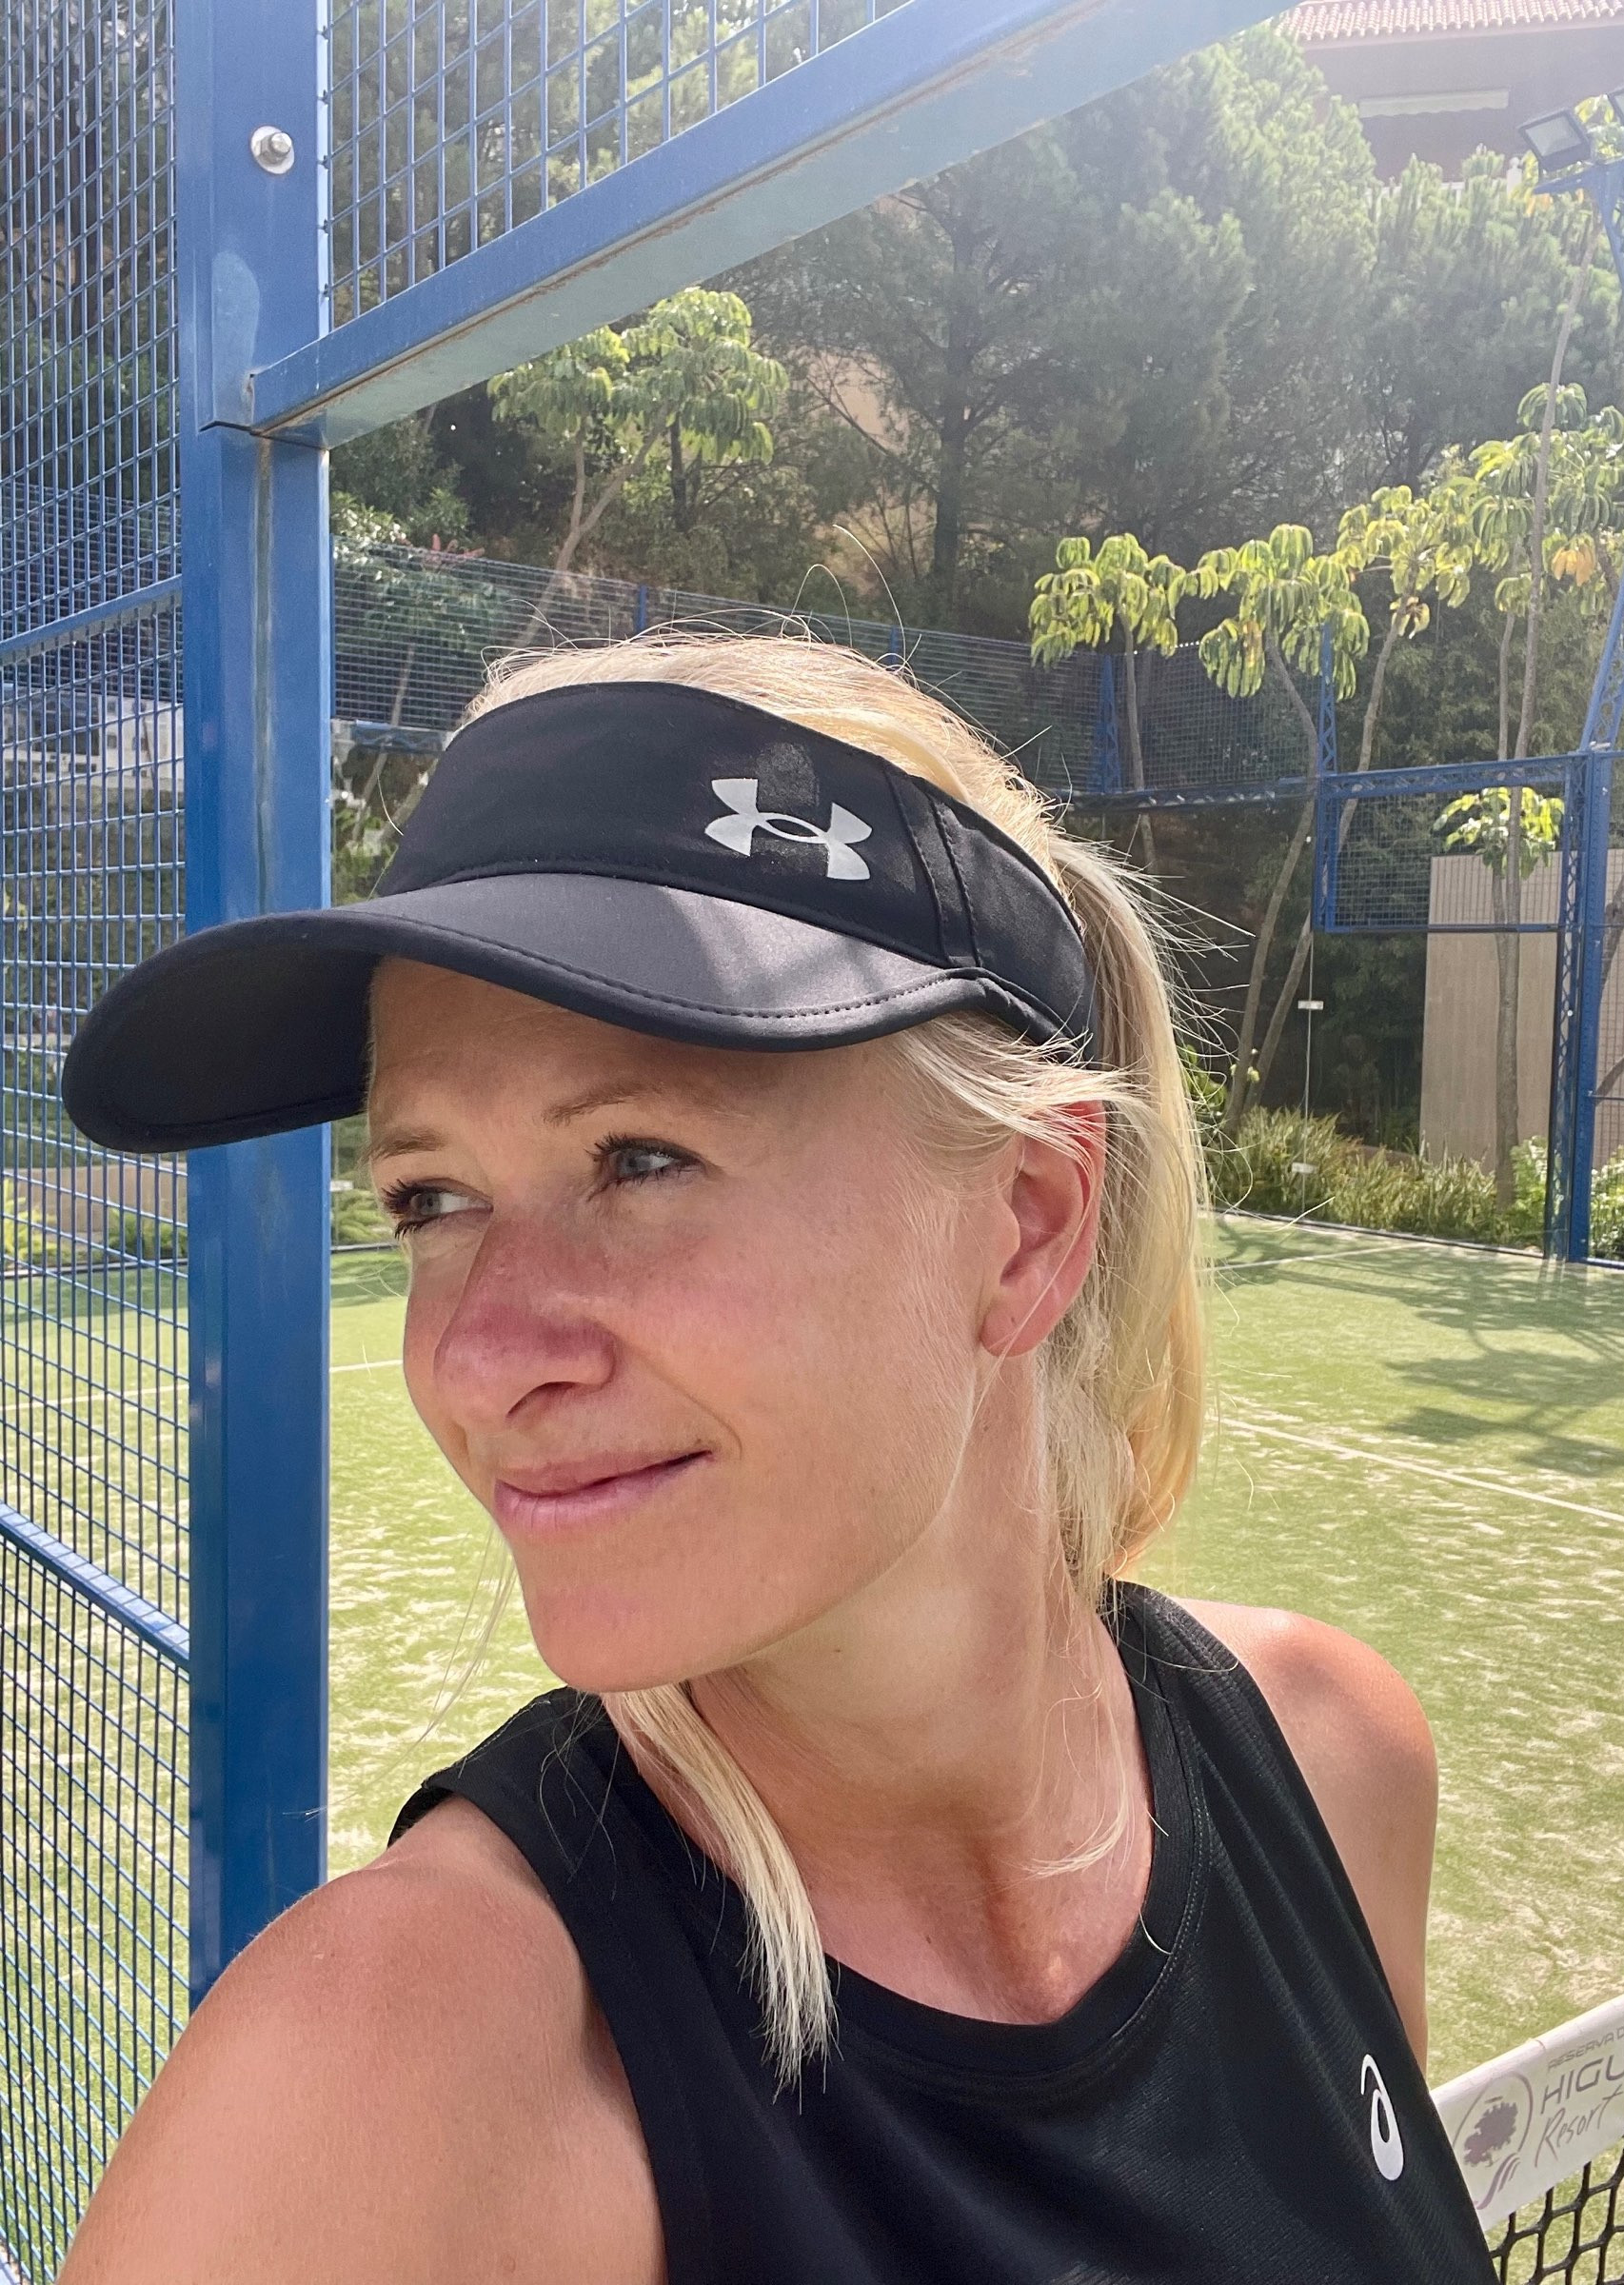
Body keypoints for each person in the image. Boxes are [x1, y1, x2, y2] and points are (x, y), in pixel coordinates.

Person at [59, 637, 1495, 2283]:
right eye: (430, 1198)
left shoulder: (1329, 1761)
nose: (476, 1358)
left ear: (1028, 1222)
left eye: (639, 1158)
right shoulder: (385, 2091)